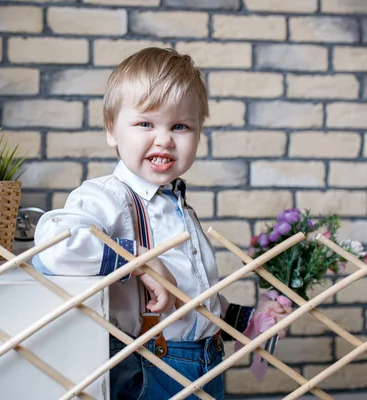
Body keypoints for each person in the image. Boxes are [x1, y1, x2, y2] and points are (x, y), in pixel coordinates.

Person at [33, 47, 292, 399]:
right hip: (150, 372)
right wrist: (140, 259)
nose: (165, 138)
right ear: (112, 129)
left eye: (181, 126)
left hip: (208, 368)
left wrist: (248, 320)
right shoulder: (108, 198)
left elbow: (194, 305)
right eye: (145, 123)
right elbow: (52, 246)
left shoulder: (180, 208)